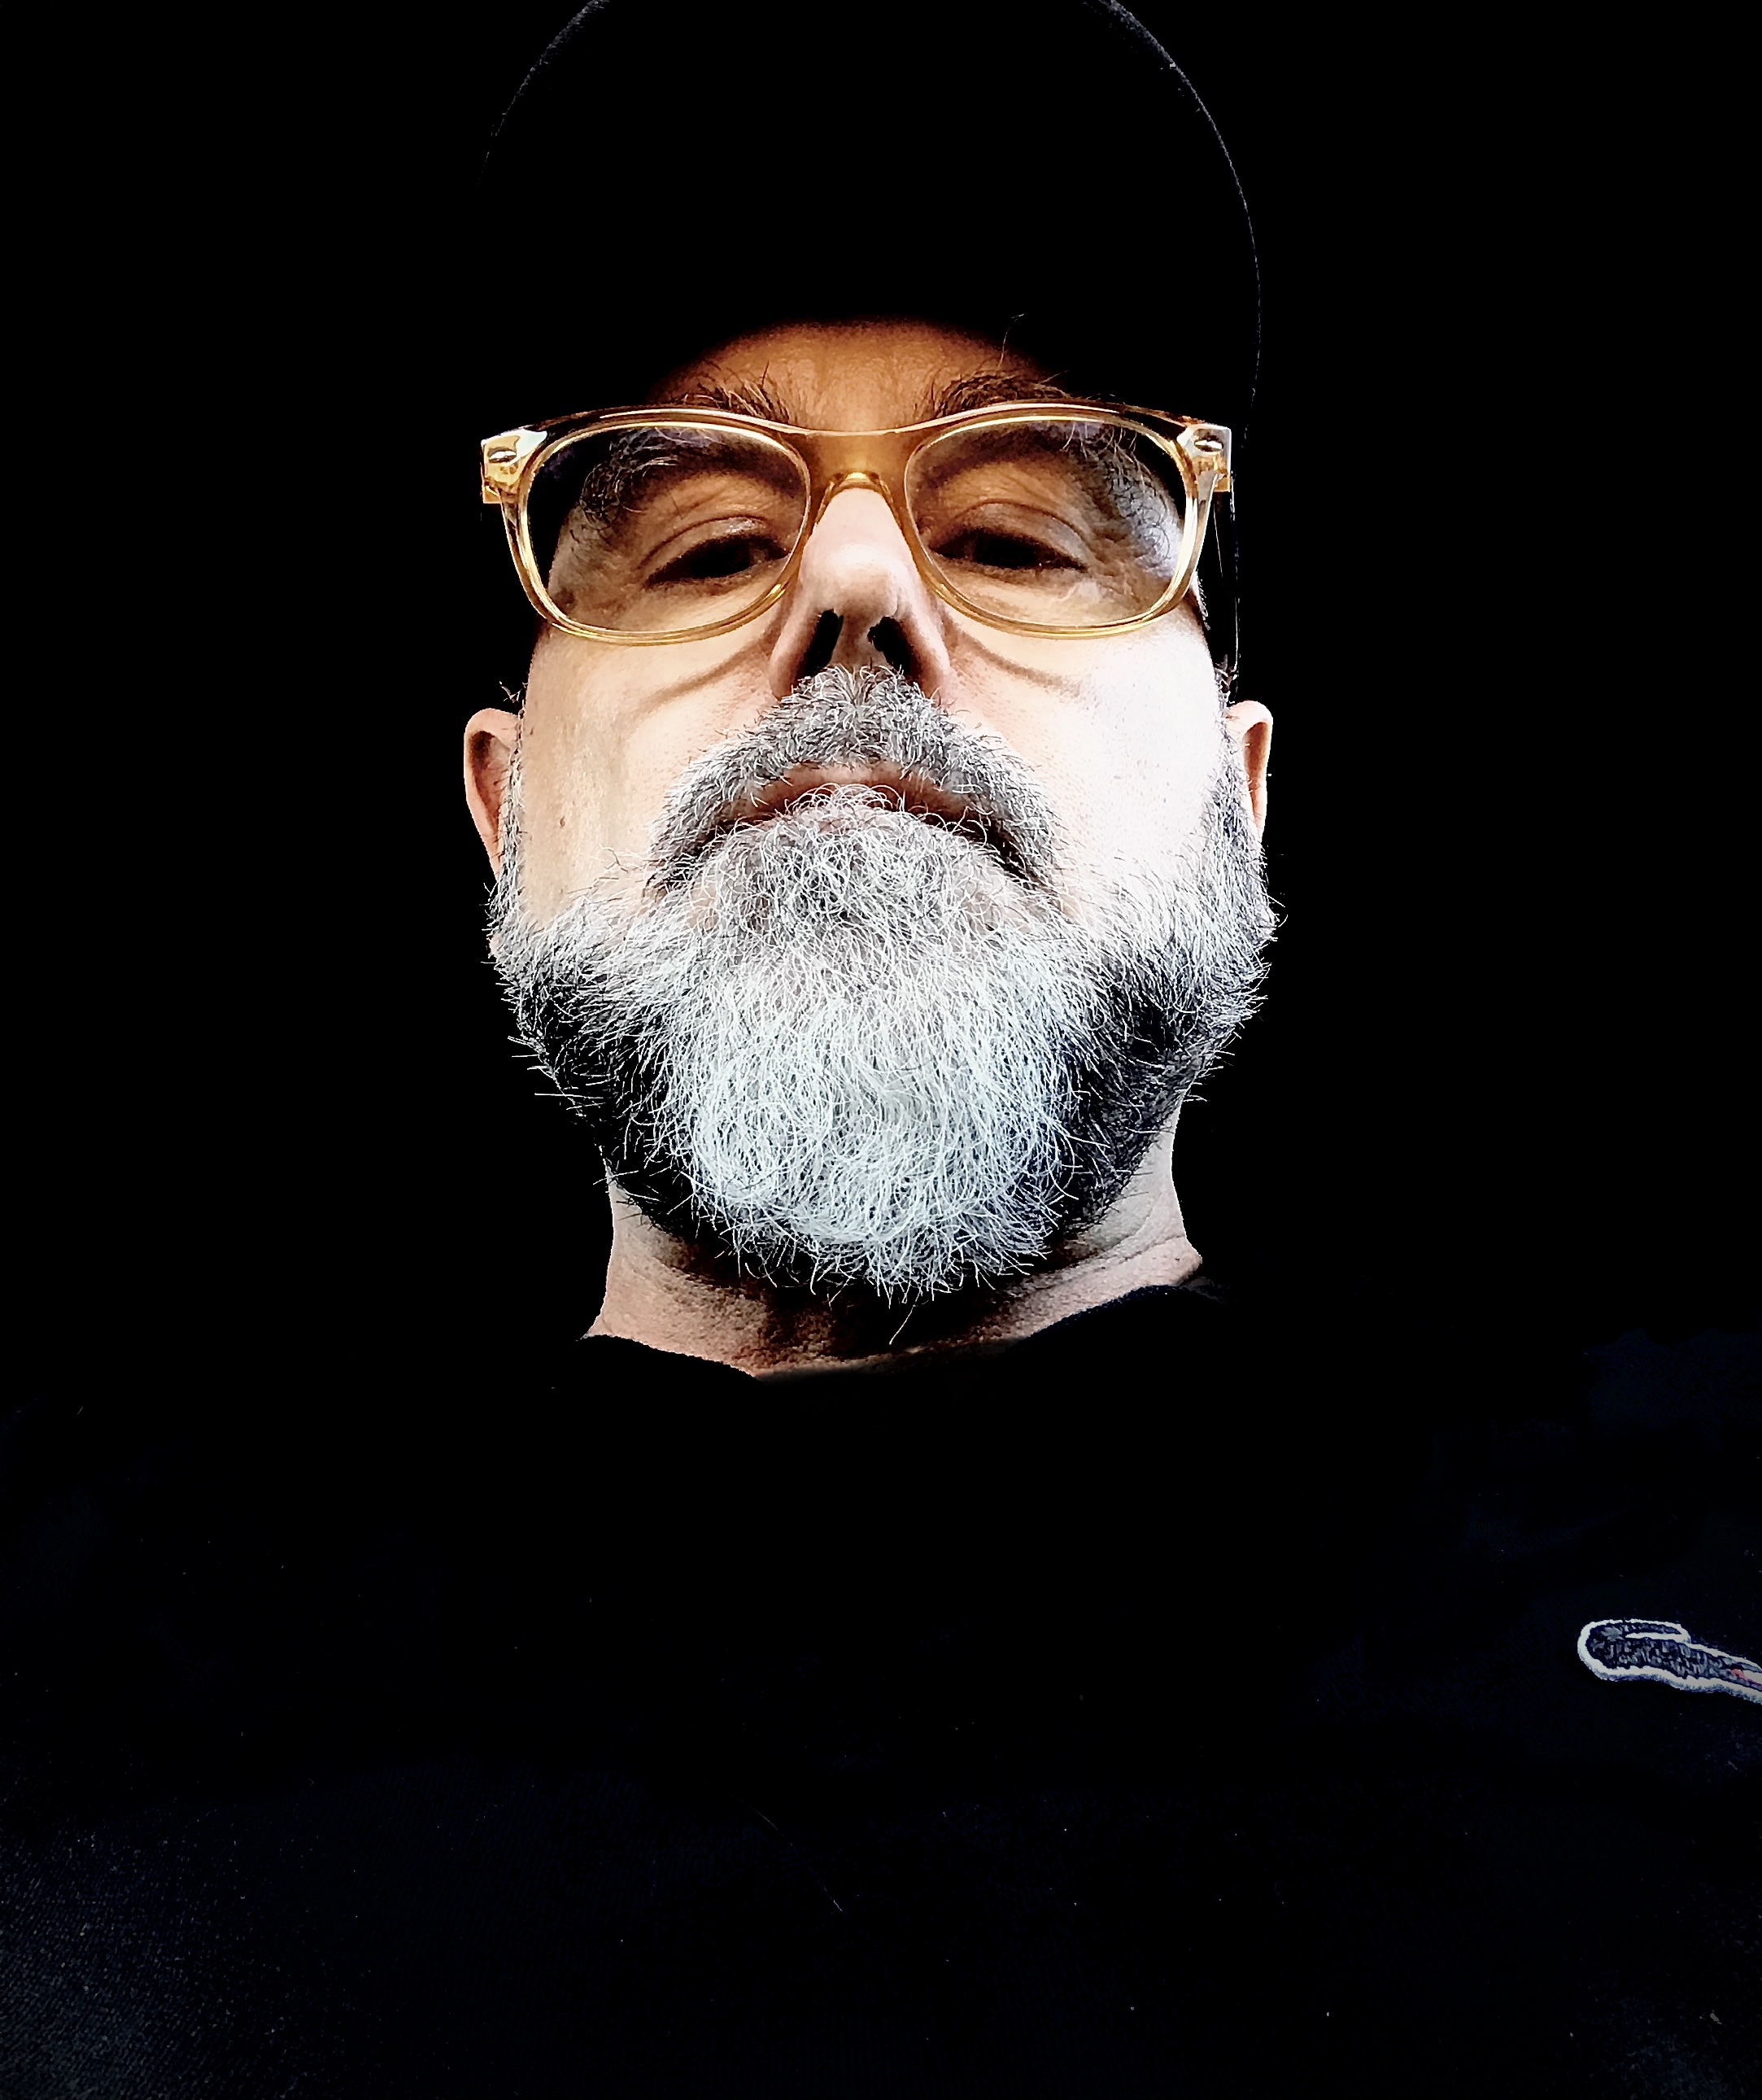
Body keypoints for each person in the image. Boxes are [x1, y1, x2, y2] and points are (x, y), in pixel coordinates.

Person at [2, 2, 1755, 2093]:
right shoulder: (67, 1672)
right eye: (704, 546)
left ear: (1243, 801)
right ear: (504, 809)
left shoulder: (1698, 1551)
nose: (850, 580)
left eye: (1011, 534)